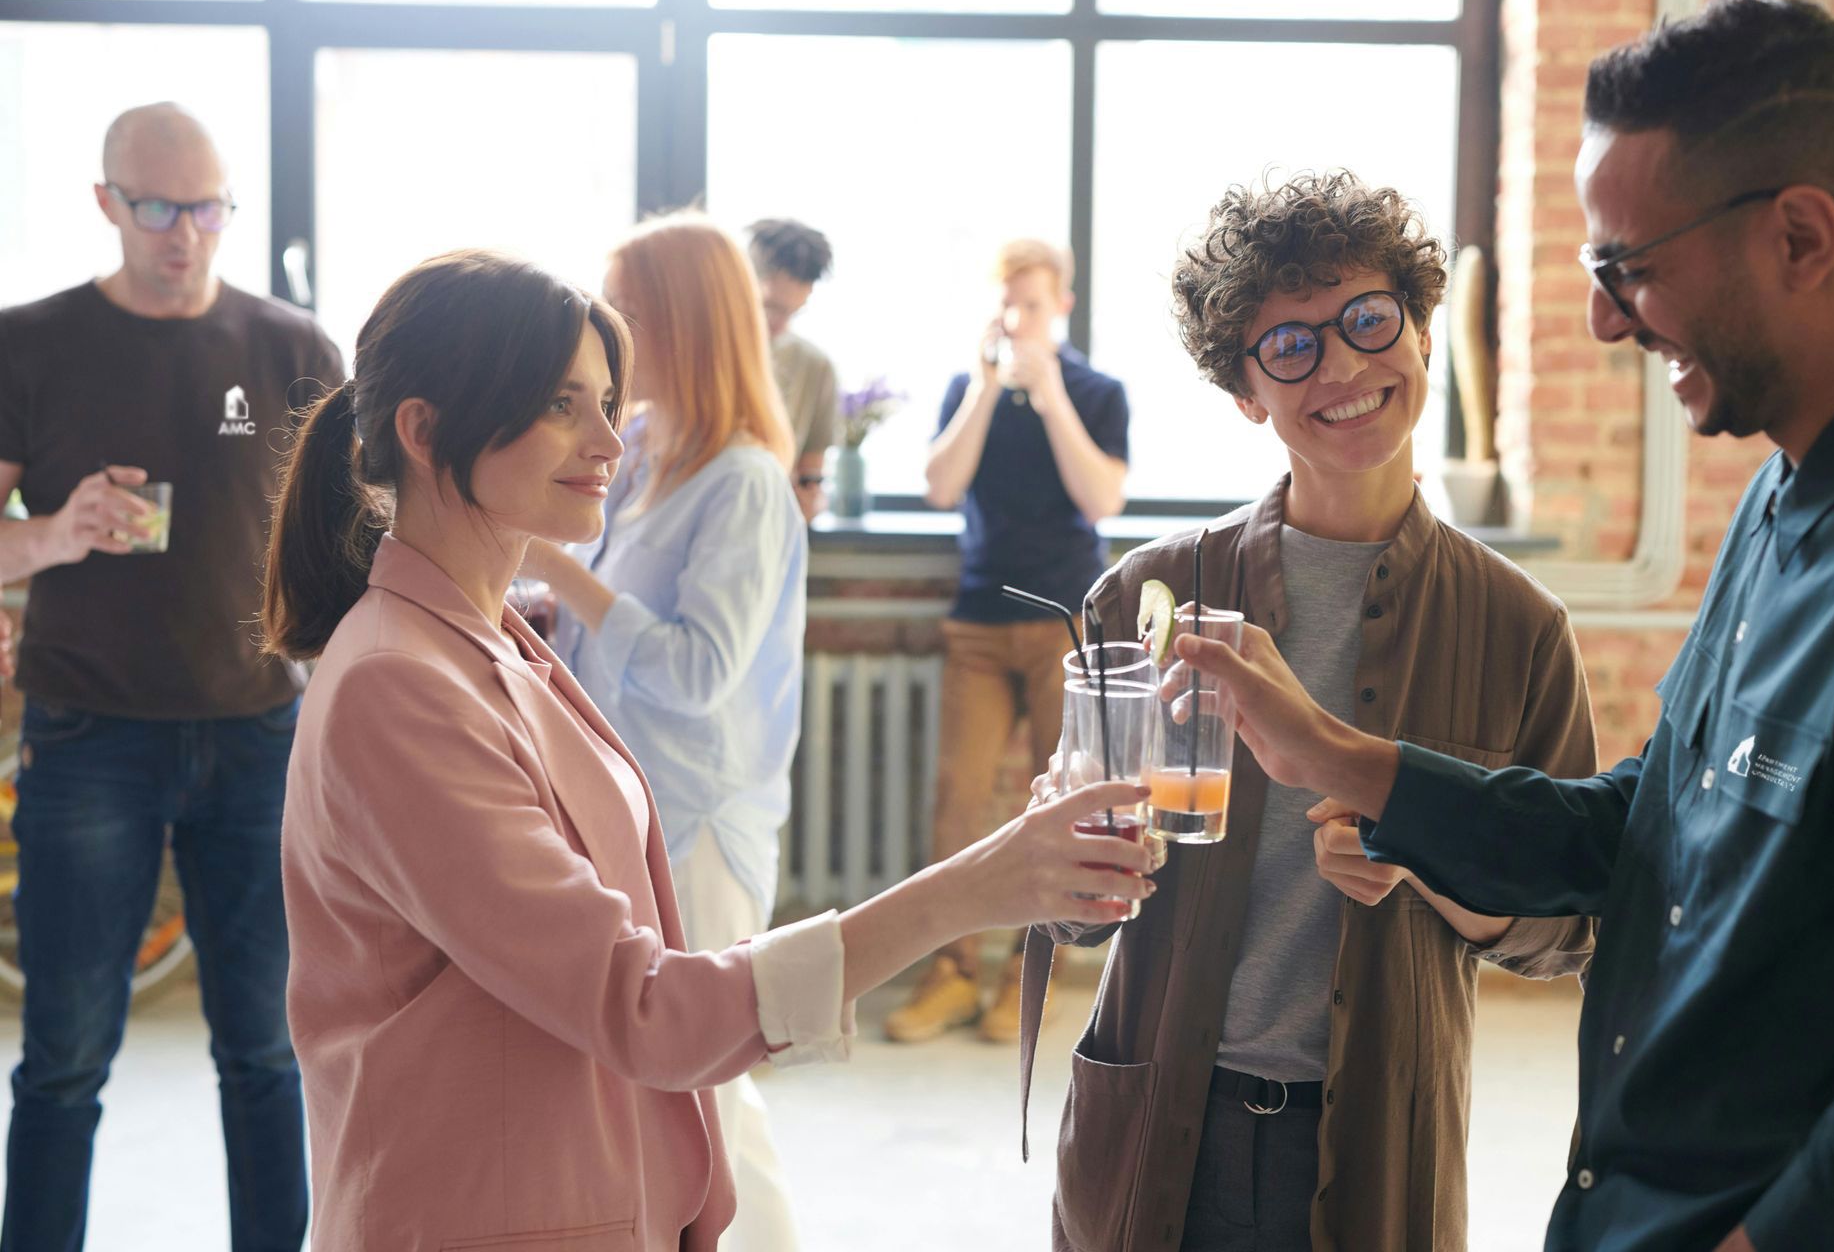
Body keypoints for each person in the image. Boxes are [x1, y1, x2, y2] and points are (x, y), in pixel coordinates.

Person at [1173, 0, 1834, 1252]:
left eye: (1629, 267)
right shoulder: (1781, 498)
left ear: (1800, 237)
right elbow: (1643, 827)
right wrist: (1336, 757)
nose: (1603, 321)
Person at [263, 247, 1155, 1251]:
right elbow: (645, 1005)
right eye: (565, 405)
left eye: (608, 399)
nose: (608, 437)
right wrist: (974, 886)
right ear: (424, 431)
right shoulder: (398, 681)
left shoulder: (501, 631)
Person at [1022, 172, 1599, 1252]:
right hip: (1155, 1124)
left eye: (1368, 320)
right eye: (1290, 347)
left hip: (1376, 1139)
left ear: (1423, 330)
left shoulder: (1521, 628)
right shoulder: (1141, 590)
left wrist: (1430, 855)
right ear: (1247, 390)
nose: (1340, 367)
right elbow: (1064, 907)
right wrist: (1060, 847)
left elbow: (1569, 927)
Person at [0, 102, 341, 1251]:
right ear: (105, 202)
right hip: (89, 736)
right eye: (155, 207)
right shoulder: (29, 341)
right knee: (64, 1056)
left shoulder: (295, 348)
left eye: (205, 207)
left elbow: (345, 534)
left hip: (259, 734)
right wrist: (50, 532)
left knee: (266, 1048)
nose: (183, 233)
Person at [525, 212, 808, 1252]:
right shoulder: (642, 449)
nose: (605, 331)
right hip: (633, 797)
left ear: (681, 324)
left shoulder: (745, 480)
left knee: (708, 1094)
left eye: (627, 310)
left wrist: (563, 576)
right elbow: (616, 626)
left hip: (702, 818)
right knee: (701, 1096)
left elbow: (697, 669)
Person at [891, 239, 1130, 1045]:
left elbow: (1100, 501)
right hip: (979, 623)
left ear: (1062, 304)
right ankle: (951, 972)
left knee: (1063, 800)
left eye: (1033, 303)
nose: (1019, 318)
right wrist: (989, 391)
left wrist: (1052, 391)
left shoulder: (1098, 392)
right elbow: (938, 486)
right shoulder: (970, 389)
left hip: (1067, 625)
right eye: (1008, 304)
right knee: (959, 794)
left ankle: (1034, 977)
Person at [747, 218, 838, 521]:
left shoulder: (815, 367)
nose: (781, 324)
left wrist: (811, 501)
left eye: (794, 311)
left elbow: (812, 474)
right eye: (771, 307)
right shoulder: (699, 351)